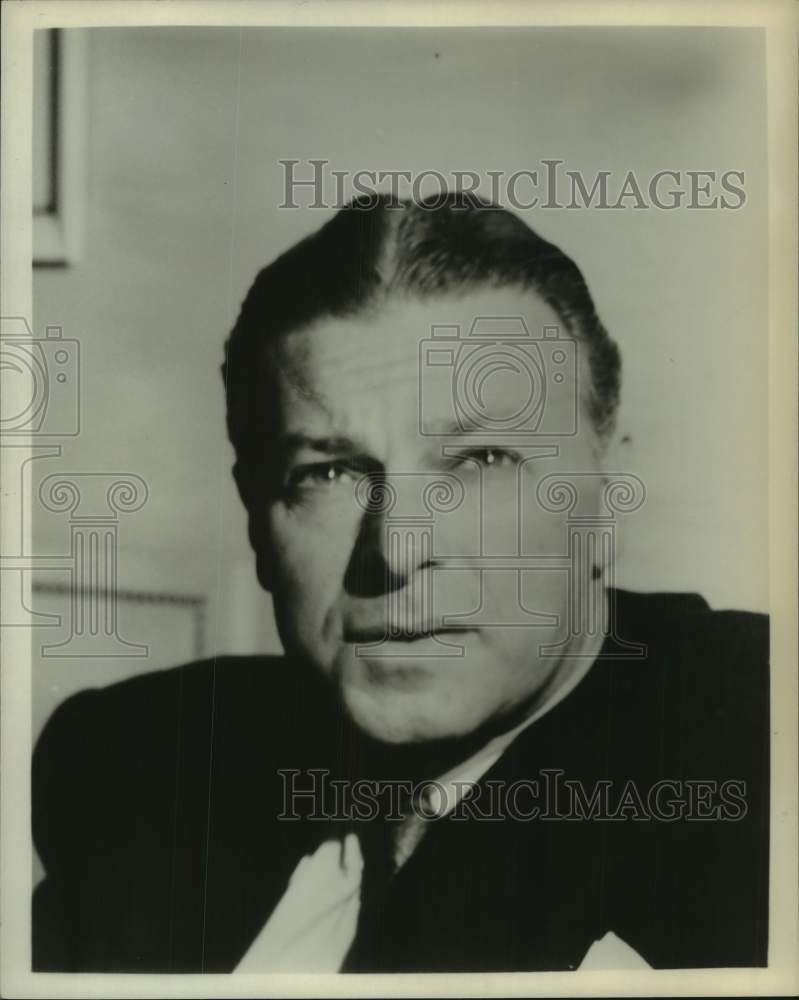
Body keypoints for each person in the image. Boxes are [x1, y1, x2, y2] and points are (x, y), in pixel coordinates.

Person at [32, 194, 769, 973]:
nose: (395, 549)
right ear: (256, 518)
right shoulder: (139, 764)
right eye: (329, 472)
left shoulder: (749, 754)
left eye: (481, 461)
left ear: (608, 495)